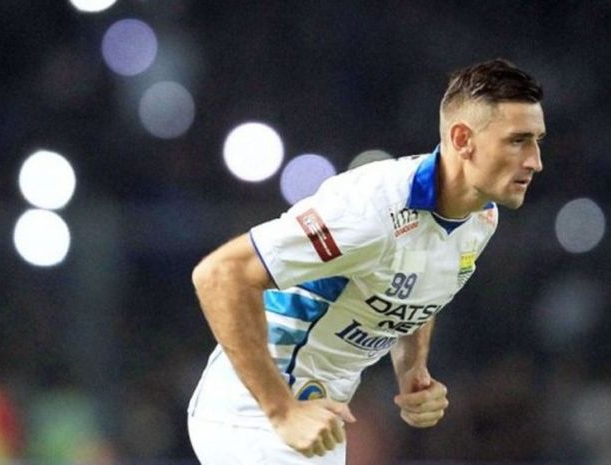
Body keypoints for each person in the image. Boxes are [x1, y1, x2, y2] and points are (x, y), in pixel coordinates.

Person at [187, 58, 546, 464]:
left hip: (317, 421)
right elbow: (219, 274)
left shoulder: (481, 217)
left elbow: (420, 278)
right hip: (252, 415)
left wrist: (412, 369)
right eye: (517, 140)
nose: (535, 160)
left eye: (537, 140)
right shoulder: (369, 210)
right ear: (463, 139)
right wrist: (281, 410)